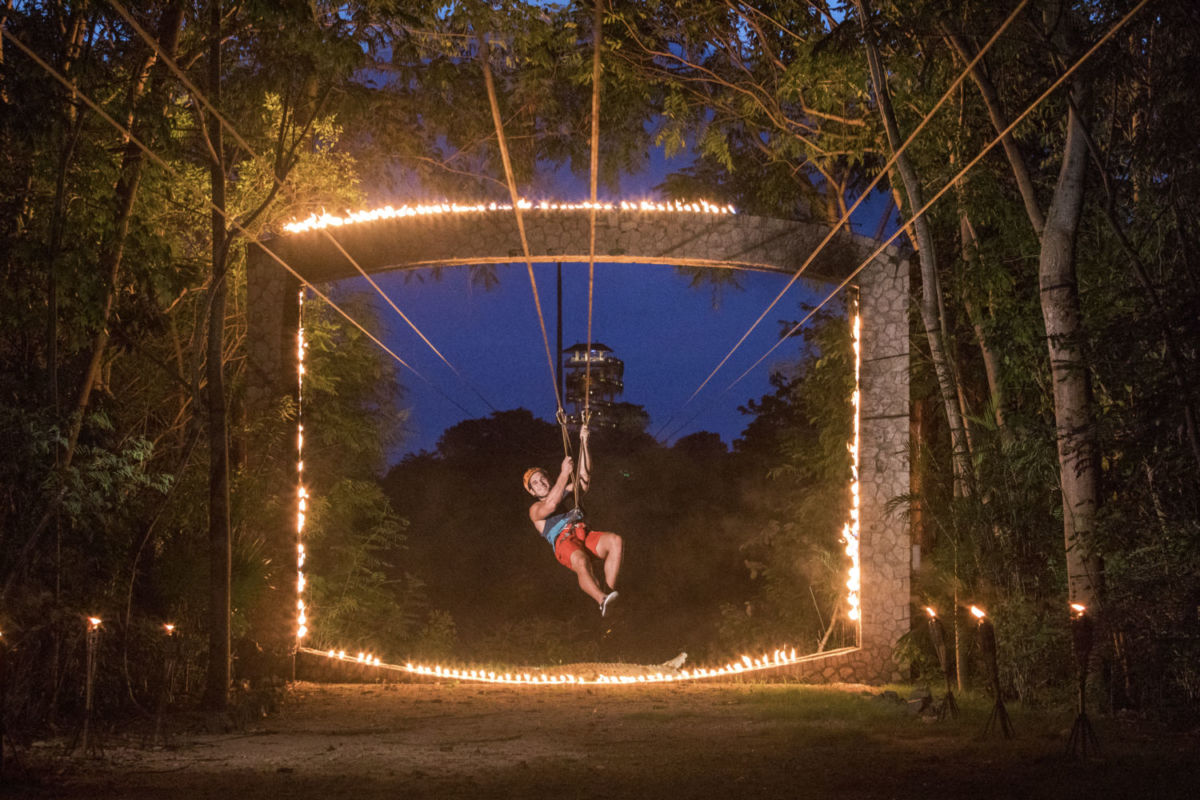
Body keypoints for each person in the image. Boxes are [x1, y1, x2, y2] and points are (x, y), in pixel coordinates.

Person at [523, 425, 623, 616]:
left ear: (549, 479)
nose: (541, 483)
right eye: (535, 483)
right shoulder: (535, 510)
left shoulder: (565, 492)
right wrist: (563, 473)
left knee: (615, 541)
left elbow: (584, 478)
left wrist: (584, 442)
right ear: (532, 492)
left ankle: (609, 594)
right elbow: (551, 505)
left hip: (584, 534)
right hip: (565, 542)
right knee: (581, 560)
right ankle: (601, 600)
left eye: (542, 478)